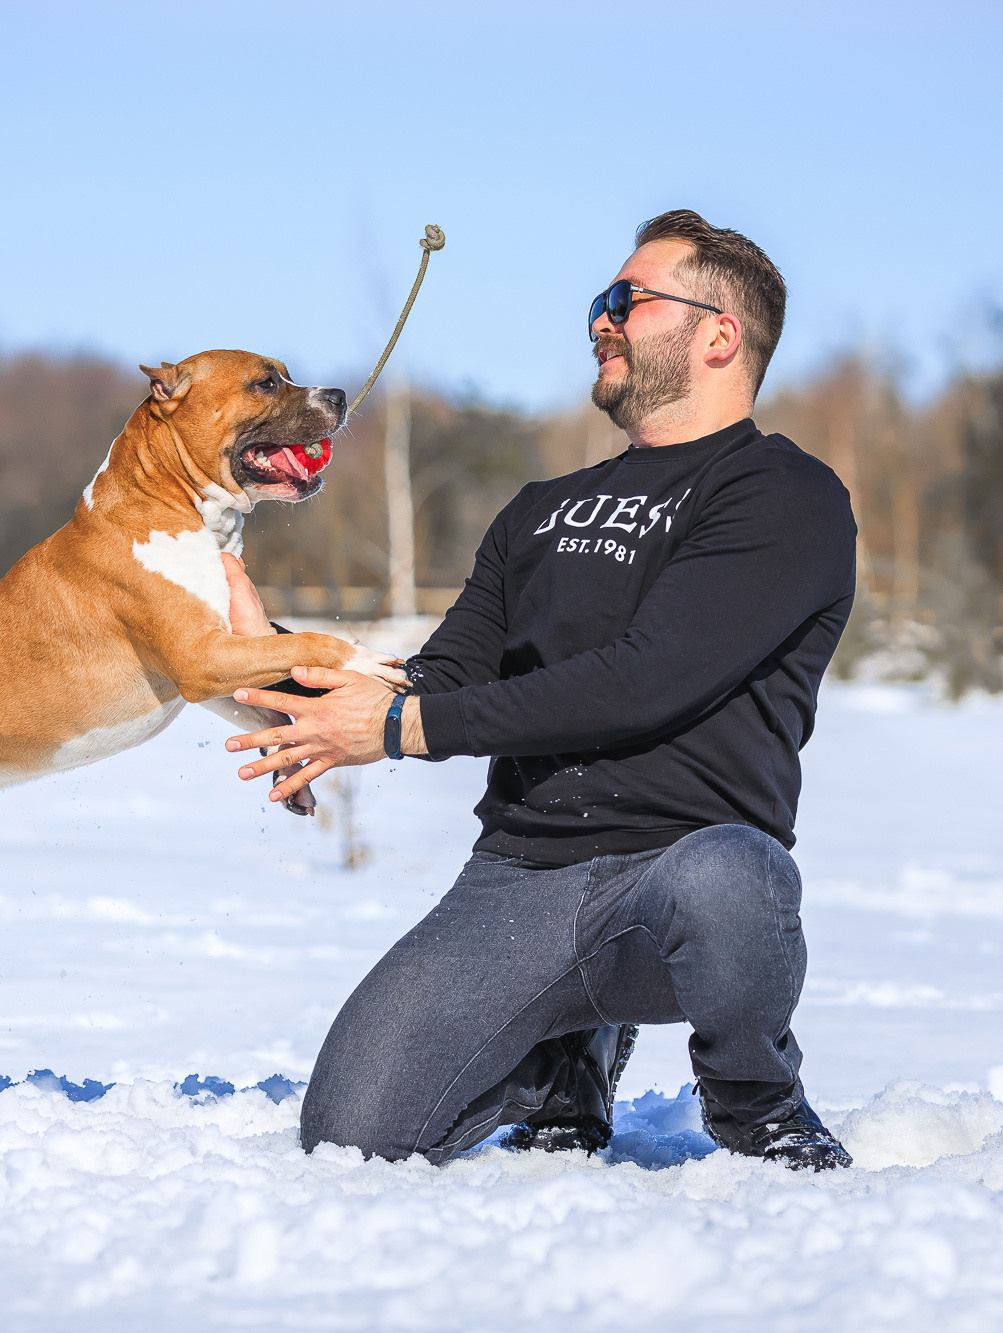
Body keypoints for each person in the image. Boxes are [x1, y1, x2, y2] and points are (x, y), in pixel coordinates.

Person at [220, 210, 857, 1170]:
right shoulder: (540, 510)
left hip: (682, 882)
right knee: (351, 1136)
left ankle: (755, 1097)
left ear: (720, 334)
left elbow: (647, 679)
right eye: (600, 302)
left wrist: (402, 727)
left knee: (738, 875)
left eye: (626, 301)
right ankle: (567, 1052)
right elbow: (444, 674)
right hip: (518, 877)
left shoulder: (783, 495)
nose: (600, 320)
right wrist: (274, 654)